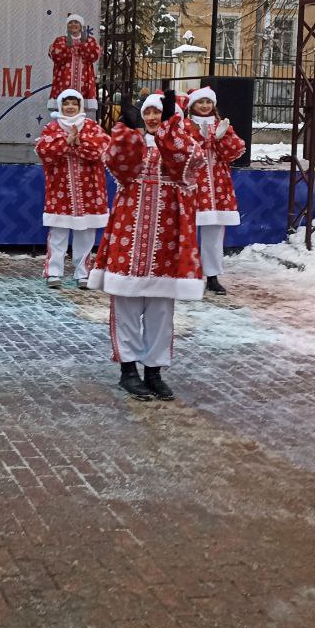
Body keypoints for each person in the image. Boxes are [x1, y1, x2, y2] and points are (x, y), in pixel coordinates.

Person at [89, 90, 204, 402]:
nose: (152, 118)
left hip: (168, 239)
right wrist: (125, 131)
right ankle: (128, 370)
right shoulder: (136, 144)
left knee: (161, 309)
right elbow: (118, 163)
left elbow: (184, 164)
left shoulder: (187, 142)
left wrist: (171, 126)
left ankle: (154, 370)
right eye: (148, 112)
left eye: (159, 113)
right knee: (126, 303)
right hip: (130, 235)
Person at [35, 88, 110, 289]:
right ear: (60, 106)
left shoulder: (92, 127)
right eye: (66, 104)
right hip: (60, 189)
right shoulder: (52, 129)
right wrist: (65, 143)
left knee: (86, 233)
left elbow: (101, 150)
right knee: (58, 232)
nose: (70, 107)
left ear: (80, 106)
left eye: (74, 104)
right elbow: (43, 151)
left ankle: (83, 273)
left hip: (89, 190)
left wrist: (79, 142)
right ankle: (53, 272)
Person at [184, 86, 247, 294]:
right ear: (192, 104)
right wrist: (206, 139)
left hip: (218, 184)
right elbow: (184, 151)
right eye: (200, 102)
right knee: (188, 230)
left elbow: (234, 151)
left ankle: (212, 276)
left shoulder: (221, 125)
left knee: (214, 233)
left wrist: (222, 140)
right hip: (193, 184)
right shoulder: (185, 125)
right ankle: (187, 273)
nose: (204, 106)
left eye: (208, 102)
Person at [48, 14, 102, 114]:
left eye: (76, 22)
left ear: (81, 26)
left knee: (81, 112)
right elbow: (55, 56)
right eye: (70, 22)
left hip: (84, 81)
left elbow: (94, 55)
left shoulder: (90, 41)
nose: (73, 24)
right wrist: (67, 47)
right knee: (64, 107)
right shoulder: (60, 40)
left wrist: (83, 45)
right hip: (63, 80)